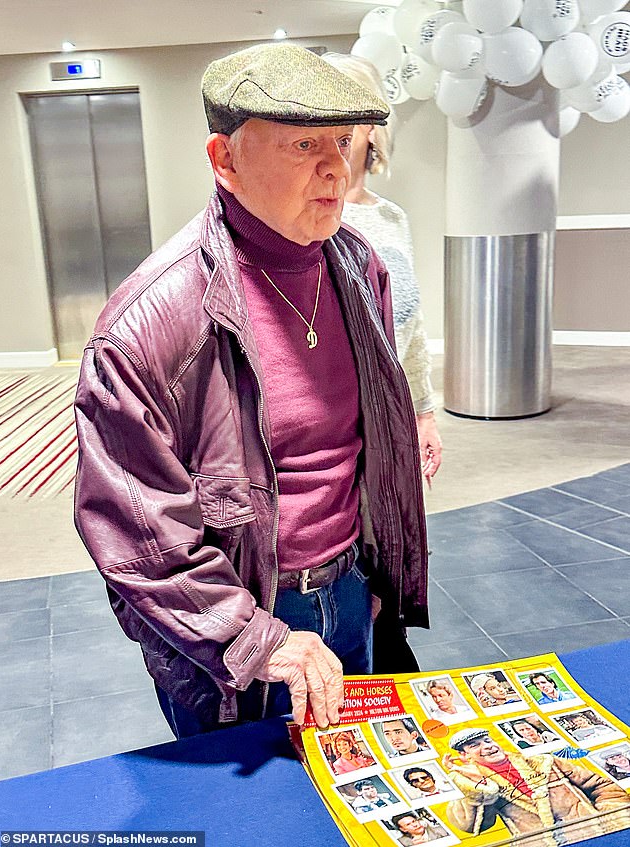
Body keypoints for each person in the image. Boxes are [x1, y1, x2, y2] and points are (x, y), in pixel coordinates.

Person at [73, 43, 429, 737]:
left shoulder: (360, 268)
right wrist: (260, 639)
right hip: (236, 627)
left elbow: (369, 447)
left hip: (352, 591)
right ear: (224, 160)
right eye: (304, 144)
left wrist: (372, 577)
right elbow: (137, 535)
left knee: (359, 797)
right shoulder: (148, 323)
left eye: (345, 140)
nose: (337, 165)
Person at [323, 50, 439, 676]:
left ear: (373, 128)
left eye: (347, 123)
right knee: (351, 569)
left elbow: (411, 329)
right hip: (339, 426)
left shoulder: (391, 218)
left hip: (392, 424)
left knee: (391, 561)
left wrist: (423, 412)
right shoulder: (306, 219)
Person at [442, 728, 630, 842]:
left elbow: (601, 786)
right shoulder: (472, 783)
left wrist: (613, 817)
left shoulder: (544, 762)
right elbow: (470, 825)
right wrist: (476, 786)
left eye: (488, 741)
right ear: (465, 756)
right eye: (475, 746)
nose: (488, 746)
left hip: (599, 834)